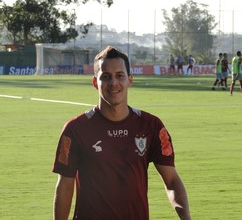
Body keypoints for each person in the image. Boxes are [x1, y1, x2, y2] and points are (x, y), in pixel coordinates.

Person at [52, 46, 191, 220]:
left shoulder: (151, 126)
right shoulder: (75, 129)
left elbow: (171, 180)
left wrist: (186, 217)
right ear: (95, 83)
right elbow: (64, 187)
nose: (113, 83)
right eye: (106, 77)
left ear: (130, 80)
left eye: (120, 76)